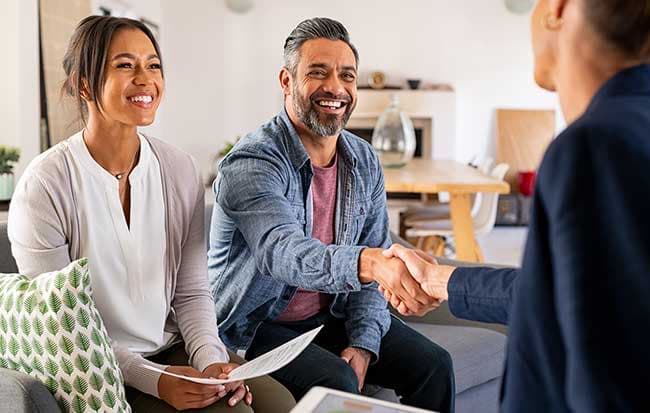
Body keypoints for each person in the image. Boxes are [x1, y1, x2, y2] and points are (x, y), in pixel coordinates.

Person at [8, 15, 295, 413]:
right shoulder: (45, 184)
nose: (146, 79)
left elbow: (192, 291)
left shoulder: (178, 169)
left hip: (170, 349)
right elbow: (65, 327)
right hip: (98, 370)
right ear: (85, 84)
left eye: (153, 65)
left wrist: (211, 362)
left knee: (282, 404)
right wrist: (156, 382)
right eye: (125, 65)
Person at [380, 0, 650, 411]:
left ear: (557, 8)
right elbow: (565, 296)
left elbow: (609, 373)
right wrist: (442, 280)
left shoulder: (597, 146)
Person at [208, 17, 454, 413]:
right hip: (255, 328)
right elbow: (282, 253)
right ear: (286, 81)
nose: (335, 88)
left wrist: (362, 343)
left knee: (434, 365)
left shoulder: (363, 159)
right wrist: (370, 262)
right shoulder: (252, 162)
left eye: (347, 76)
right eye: (317, 73)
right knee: (334, 380)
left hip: (328, 315)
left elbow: (374, 264)